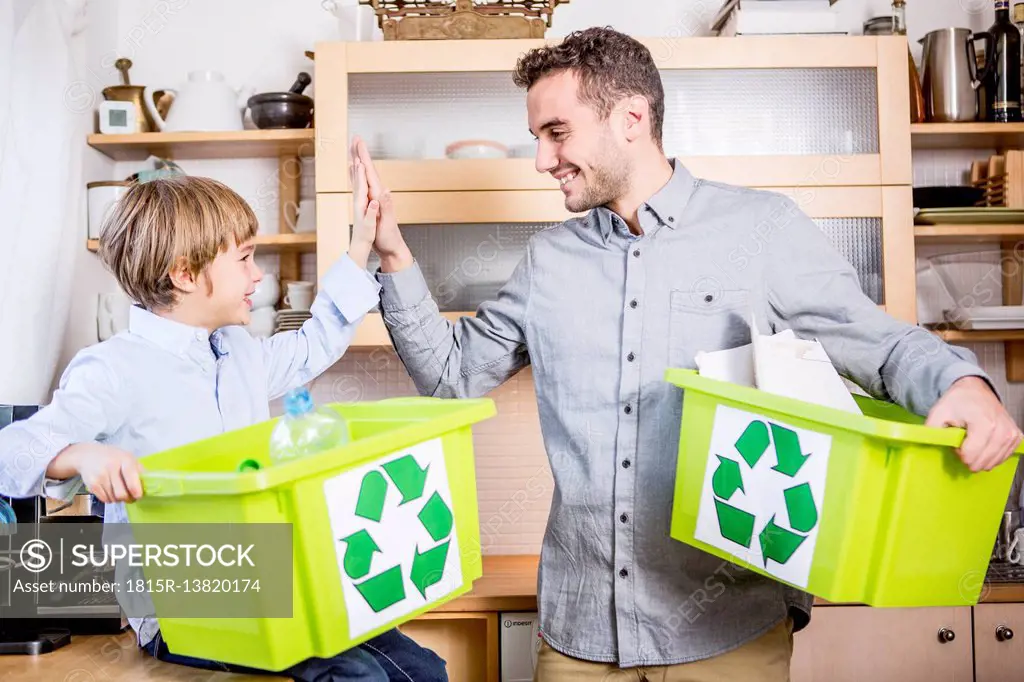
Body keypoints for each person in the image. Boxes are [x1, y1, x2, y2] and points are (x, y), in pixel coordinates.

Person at [350, 26, 1024, 681]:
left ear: (632, 118)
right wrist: (395, 255)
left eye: (557, 134)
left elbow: (871, 339)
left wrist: (958, 384)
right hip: (581, 637)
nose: (541, 160)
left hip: (726, 630)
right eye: (536, 138)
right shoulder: (549, 260)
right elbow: (451, 377)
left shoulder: (761, 230)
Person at [0, 175, 447, 682]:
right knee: (360, 676)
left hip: (264, 585)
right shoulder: (111, 368)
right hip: (184, 608)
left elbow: (314, 343)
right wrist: (82, 456)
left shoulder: (237, 351)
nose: (257, 277)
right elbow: (12, 449)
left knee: (422, 669)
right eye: (244, 259)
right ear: (185, 273)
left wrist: (362, 240)